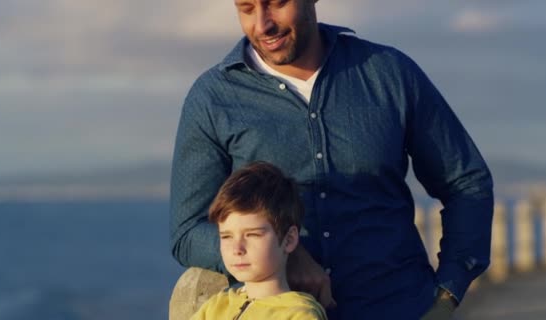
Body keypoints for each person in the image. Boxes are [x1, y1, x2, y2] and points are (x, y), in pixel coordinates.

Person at [170, 0, 494, 319]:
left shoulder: (389, 73)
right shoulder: (213, 98)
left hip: (399, 307)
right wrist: (287, 252)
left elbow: (465, 182)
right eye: (247, 8)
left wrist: (447, 293)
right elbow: (187, 231)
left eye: (277, 3)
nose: (263, 24)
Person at [190, 161, 327, 320]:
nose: (237, 249)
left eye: (252, 235)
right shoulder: (215, 307)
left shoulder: (299, 314)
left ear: (289, 240)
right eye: (226, 236)